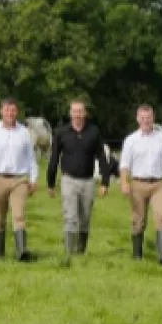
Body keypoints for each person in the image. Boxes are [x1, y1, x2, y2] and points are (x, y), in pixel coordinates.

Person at [0, 97, 39, 261]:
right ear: (1, 111)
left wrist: (33, 179)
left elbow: (31, 159)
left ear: (17, 112)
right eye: (6, 110)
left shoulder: (24, 133)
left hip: (19, 180)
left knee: (19, 215)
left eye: (13, 110)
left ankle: (22, 252)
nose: (10, 113)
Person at [47, 99, 110, 256]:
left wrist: (105, 181)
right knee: (70, 216)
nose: (77, 115)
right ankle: (69, 253)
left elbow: (102, 157)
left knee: (85, 217)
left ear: (85, 113)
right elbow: (54, 158)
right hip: (68, 179)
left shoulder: (93, 132)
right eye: (74, 111)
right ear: (70, 113)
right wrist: (51, 182)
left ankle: (80, 251)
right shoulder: (61, 133)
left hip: (88, 181)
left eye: (80, 111)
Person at [119, 104, 162, 264]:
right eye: (143, 118)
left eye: (149, 118)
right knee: (139, 220)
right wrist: (124, 182)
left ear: (153, 118)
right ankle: (137, 254)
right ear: (138, 119)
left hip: (158, 184)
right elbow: (124, 164)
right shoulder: (131, 140)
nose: (146, 121)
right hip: (138, 184)